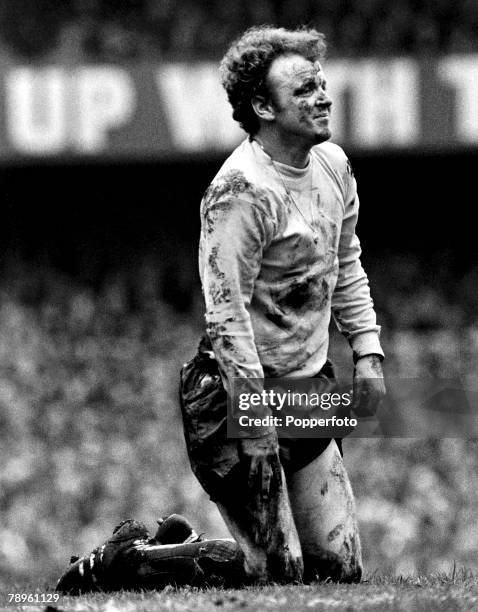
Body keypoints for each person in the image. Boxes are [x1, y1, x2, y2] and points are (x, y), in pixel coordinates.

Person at [179, 25, 386, 585]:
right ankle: (133, 560)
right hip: (235, 395)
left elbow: (345, 264)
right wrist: (255, 419)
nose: (322, 96)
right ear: (262, 106)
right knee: (277, 573)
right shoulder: (239, 192)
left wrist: (367, 353)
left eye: (321, 84)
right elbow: (226, 317)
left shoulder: (334, 167)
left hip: (307, 387)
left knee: (340, 572)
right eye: (304, 90)